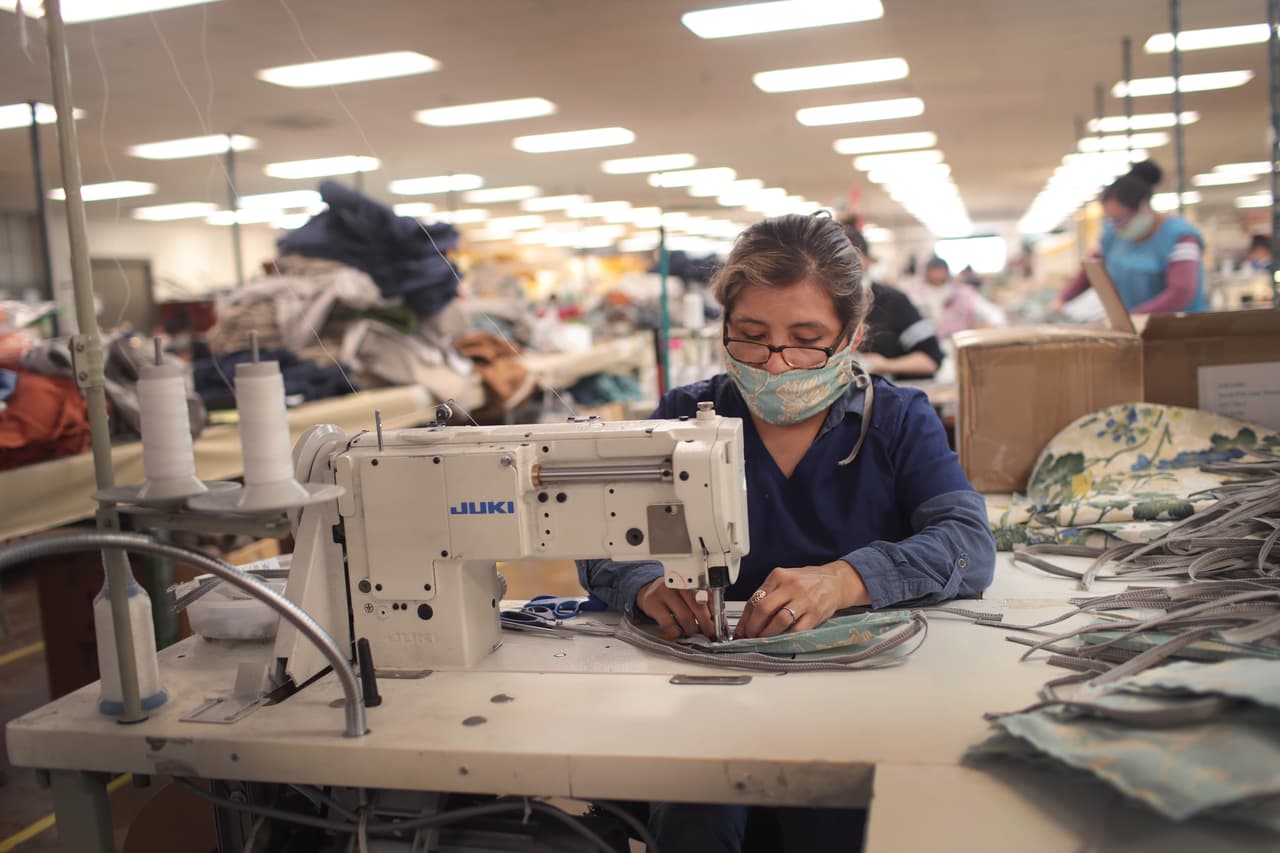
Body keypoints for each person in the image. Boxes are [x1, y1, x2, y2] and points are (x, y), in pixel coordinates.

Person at [577, 213, 996, 853]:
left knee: (838, 817)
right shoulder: (682, 417)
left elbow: (967, 540)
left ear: (853, 336)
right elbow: (598, 536)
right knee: (694, 821)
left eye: (805, 340)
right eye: (751, 337)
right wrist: (640, 582)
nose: (775, 364)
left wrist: (846, 579)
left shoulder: (897, 420)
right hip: (707, 685)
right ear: (722, 330)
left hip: (856, 687)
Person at [1053, 160, 1207, 314]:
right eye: (1111, 220)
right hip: (1134, 328)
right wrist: (1063, 299)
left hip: (1174, 329)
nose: (1117, 226)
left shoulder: (1180, 237)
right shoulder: (1112, 236)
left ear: (1144, 205)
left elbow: (1181, 292)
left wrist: (1133, 319)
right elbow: (1091, 269)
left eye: (1121, 219)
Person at [839, 221, 943, 379]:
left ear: (867, 261)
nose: (839, 269)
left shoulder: (892, 301)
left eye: (848, 259)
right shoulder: (816, 304)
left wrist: (884, 364)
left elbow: (931, 359)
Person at [907, 256, 1006, 341]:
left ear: (946, 271)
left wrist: (993, 327)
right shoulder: (914, 295)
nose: (937, 275)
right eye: (933, 271)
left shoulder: (963, 293)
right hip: (927, 344)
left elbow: (992, 313)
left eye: (940, 270)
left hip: (958, 343)